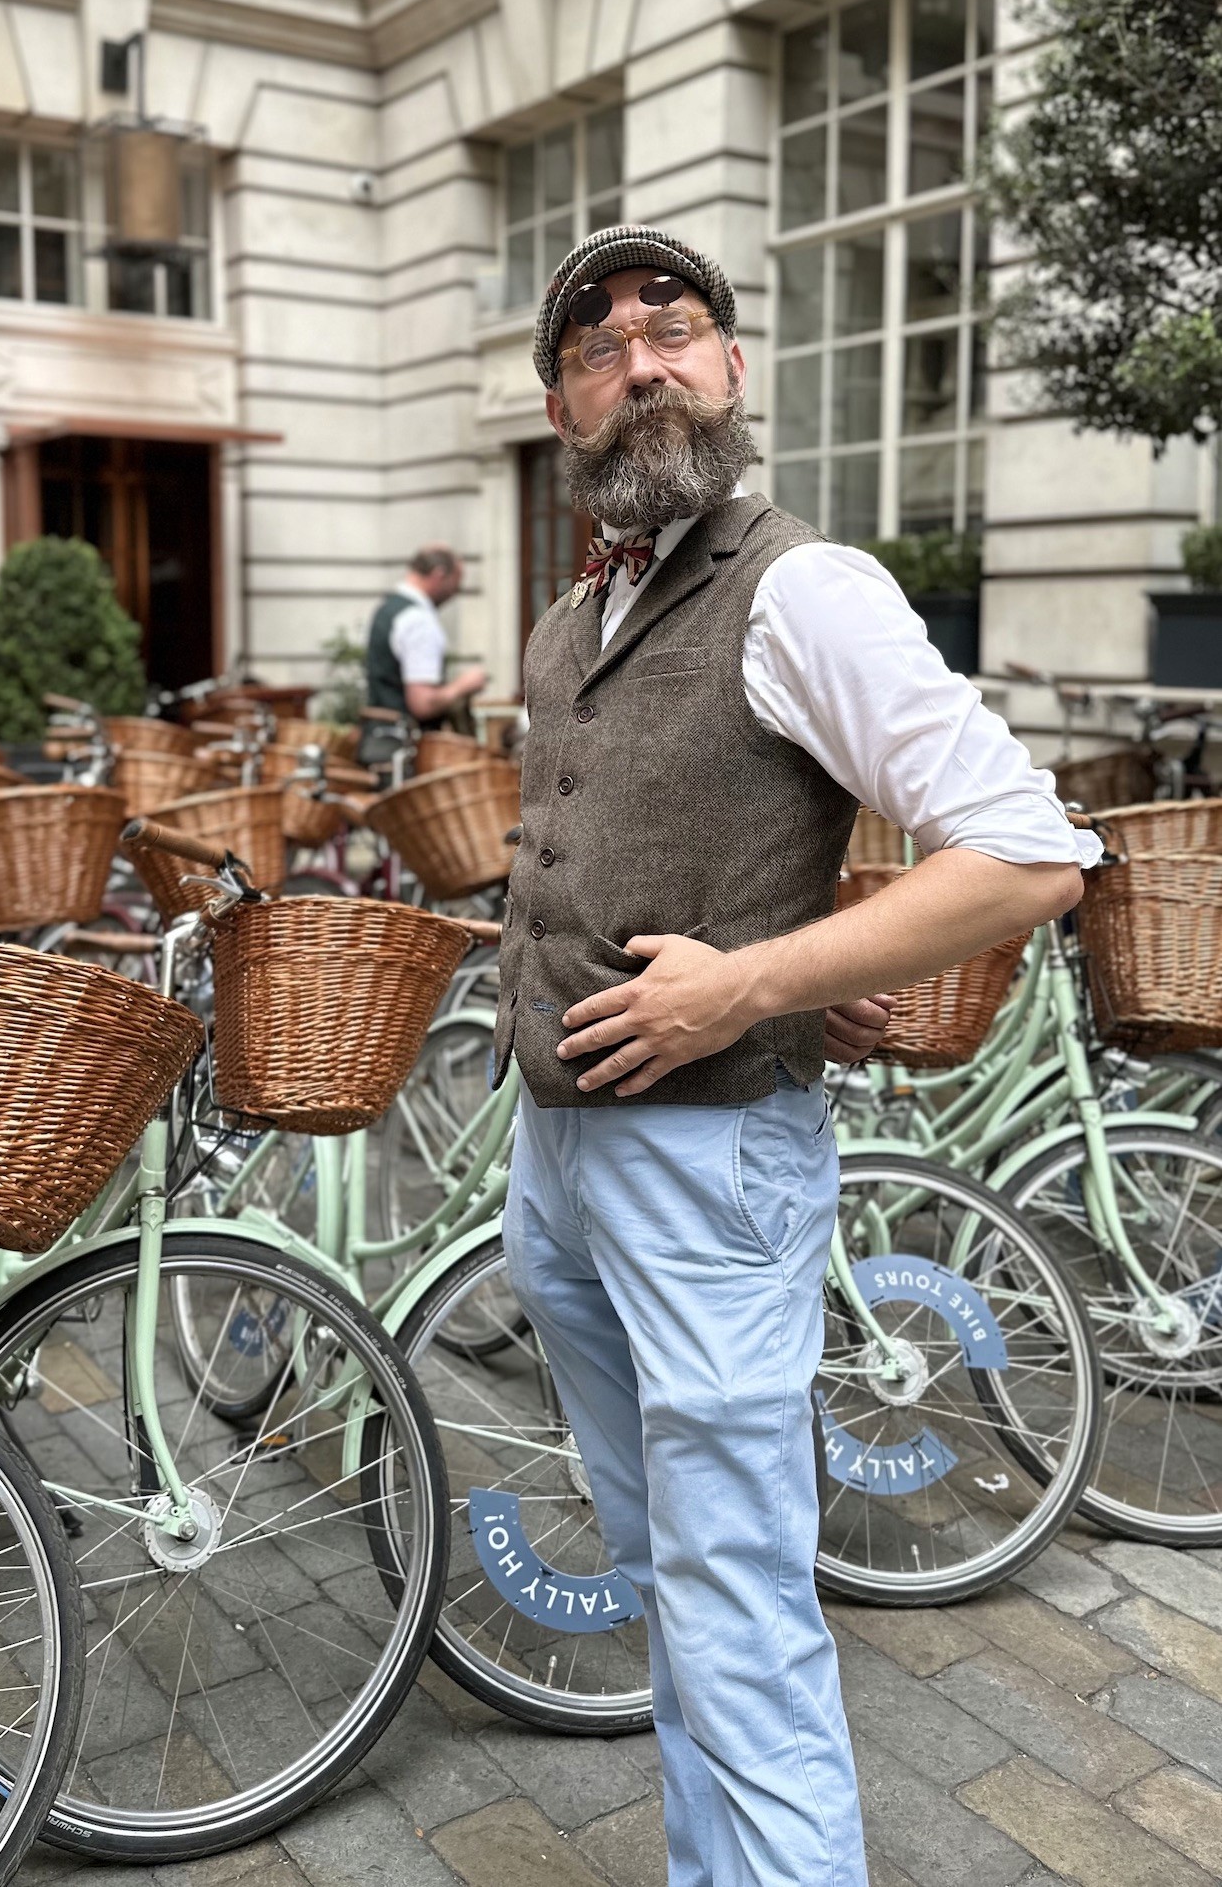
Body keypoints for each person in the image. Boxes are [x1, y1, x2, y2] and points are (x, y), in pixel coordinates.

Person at [497, 223, 1100, 1887]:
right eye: (599, 347)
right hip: (559, 1162)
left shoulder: (803, 584)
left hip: (705, 1166)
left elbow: (1028, 855)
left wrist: (749, 981)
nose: (642, 361)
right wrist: (782, 946)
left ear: (733, 367)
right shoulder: (567, 625)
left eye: (672, 329)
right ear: (563, 408)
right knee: (671, 1580)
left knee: (737, 1600)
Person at [359, 544, 487, 766]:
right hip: (405, 757)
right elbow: (423, 703)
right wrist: (464, 685)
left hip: (378, 745)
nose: (455, 592)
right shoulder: (418, 621)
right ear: (439, 575)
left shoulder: (389, 608)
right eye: (455, 583)